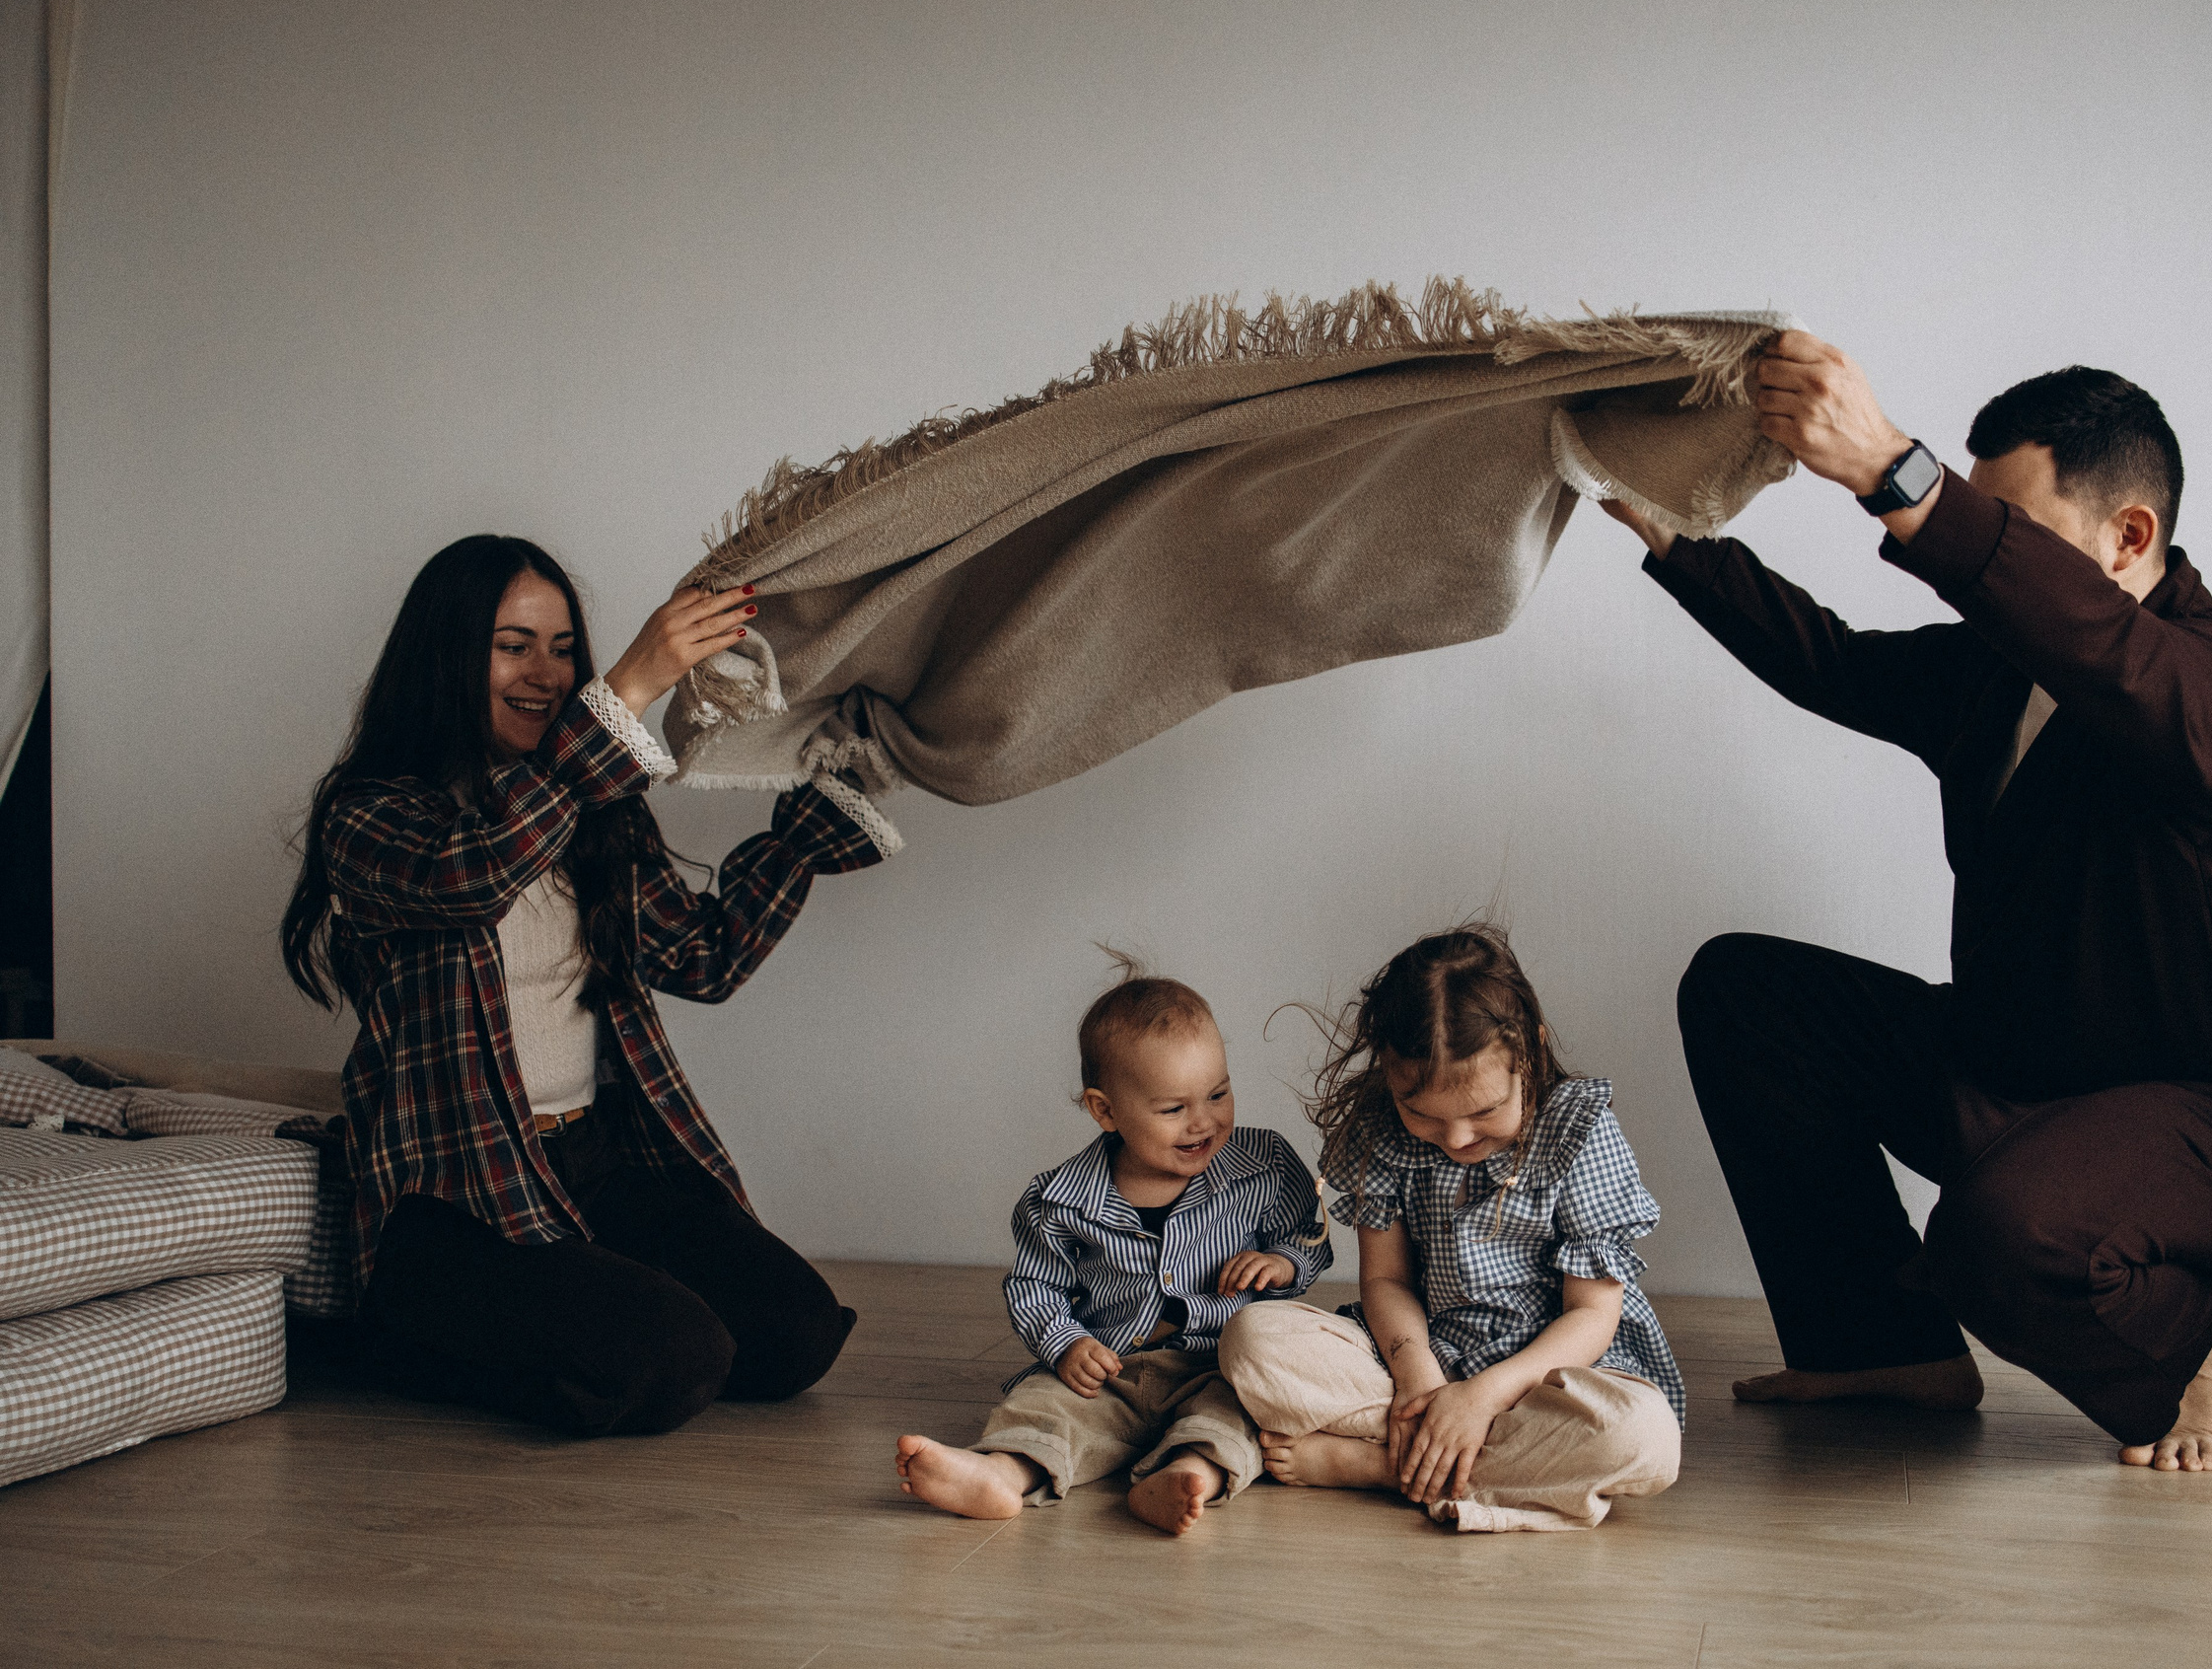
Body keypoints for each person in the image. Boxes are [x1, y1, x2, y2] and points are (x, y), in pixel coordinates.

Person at [1601, 334, 2212, 1473]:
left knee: (1999, 1235)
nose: (1975, 561)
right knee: (1746, 989)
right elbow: (1836, 664)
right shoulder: (1993, 673)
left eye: (2007, 530)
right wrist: (1674, 533)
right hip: (2029, 1086)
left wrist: (1896, 476)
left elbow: (2120, 666)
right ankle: (1879, 1346)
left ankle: (2202, 1325)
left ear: (2130, 537)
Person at [281, 535, 898, 1437]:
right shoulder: (374, 812)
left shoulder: (593, 808)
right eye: (513, 643)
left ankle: (586, 1302)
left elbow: (703, 958)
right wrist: (628, 692)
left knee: (795, 1335)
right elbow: (477, 871)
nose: (546, 672)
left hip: (590, 1163)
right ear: (448, 653)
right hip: (453, 1198)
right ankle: (410, 1336)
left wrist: (809, 827)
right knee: (673, 1360)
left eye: (564, 647)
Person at [1217, 925, 1683, 1533]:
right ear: (1388, 1073)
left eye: (1484, 1113)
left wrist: (1484, 1397)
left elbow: (1592, 1316)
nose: (1457, 1139)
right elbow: (1386, 1280)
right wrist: (1420, 1379)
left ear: (1531, 1055)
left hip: (1547, 1377)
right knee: (1253, 1337)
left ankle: (1388, 1466)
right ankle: (1455, 1452)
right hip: (1425, 1356)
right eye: (1424, 1115)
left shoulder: (1579, 1133)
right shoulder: (1380, 1138)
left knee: (1644, 1438)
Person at [895, 960, 1330, 1534]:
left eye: (1219, 1094)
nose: (1204, 1122)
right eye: (1174, 1109)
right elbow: (1035, 1285)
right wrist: (1066, 1343)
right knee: (1049, 1407)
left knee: (1239, 1419)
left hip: (1222, 1362)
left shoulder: (1264, 1164)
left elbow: (1309, 1232)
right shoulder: (1060, 1200)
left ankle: (1183, 1475)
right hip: (1111, 1367)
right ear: (1106, 1110)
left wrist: (1282, 1262)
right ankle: (1002, 1472)